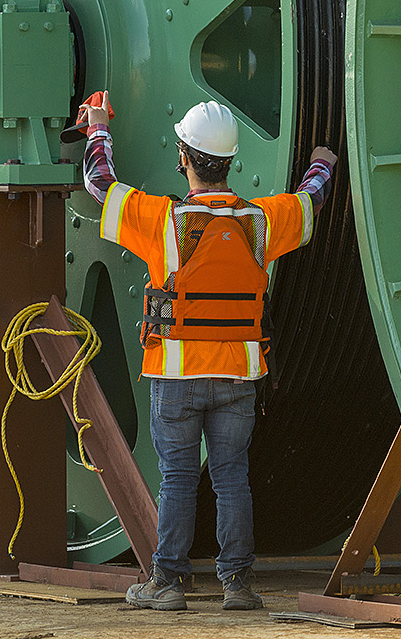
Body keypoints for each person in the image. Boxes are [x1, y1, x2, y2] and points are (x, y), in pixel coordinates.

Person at [82, 95, 336, 613]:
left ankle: (168, 581)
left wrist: (99, 128)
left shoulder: (166, 222)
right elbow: (312, 199)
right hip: (239, 378)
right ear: (229, 160)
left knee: (177, 477)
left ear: (184, 157)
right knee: (231, 478)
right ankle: (238, 585)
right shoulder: (260, 221)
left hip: (176, 375)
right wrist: (323, 161)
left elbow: (100, 184)